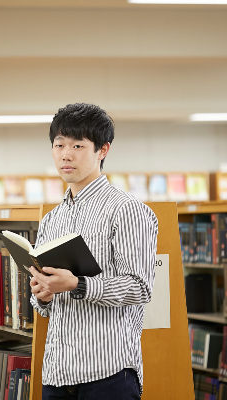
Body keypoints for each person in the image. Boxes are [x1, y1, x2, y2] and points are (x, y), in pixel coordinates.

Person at [29, 103, 158, 400]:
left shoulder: (126, 210)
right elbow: (43, 306)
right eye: (59, 144)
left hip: (107, 373)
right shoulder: (52, 219)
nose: (66, 154)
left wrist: (78, 284)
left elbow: (139, 288)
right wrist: (43, 293)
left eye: (78, 145)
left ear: (103, 150)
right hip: (58, 372)